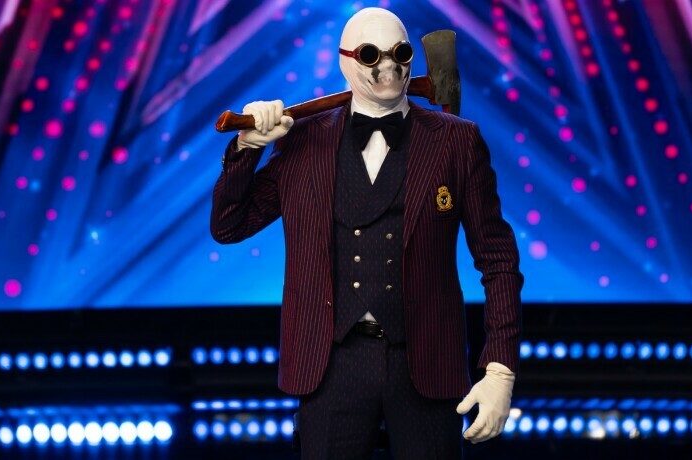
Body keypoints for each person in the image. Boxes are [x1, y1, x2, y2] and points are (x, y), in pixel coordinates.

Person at [211, 7, 523, 459]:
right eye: (371, 55)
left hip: (427, 361)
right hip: (329, 364)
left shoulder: (456, 141)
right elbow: (228, 226)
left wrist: (500, 369)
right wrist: (246, 149)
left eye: (401, 53)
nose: (389, 66)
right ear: (345, 62)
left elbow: (498, 260)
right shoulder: (301, 141)